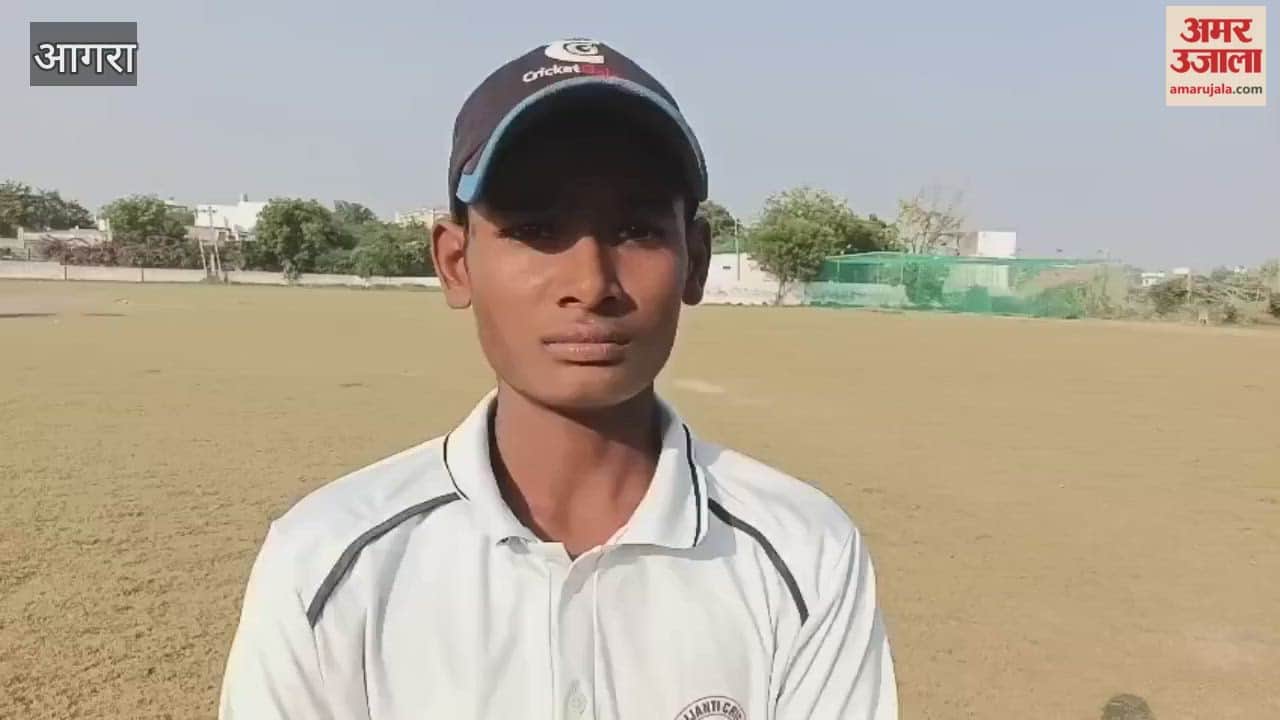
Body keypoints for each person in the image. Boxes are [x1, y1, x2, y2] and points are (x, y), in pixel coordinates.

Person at [218, 38, 898, 720]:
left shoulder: (803, 551)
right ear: (455, 263)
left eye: (635, 229)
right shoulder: (329, 558)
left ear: (695, 261)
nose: (590, 284)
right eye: (536, 227)